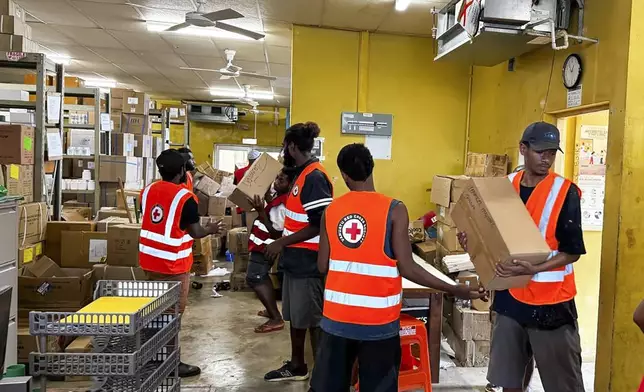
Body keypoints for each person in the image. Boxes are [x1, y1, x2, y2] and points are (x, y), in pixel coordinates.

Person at [309, 143, 486, 392]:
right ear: (372, 169)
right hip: (378, 325)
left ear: (345, 176)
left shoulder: (331, 211)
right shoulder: (394, 210)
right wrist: (454, 289)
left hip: (336, 321)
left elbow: (321, 265)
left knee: (327, 387)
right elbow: (409, 268)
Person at [459, 122, 586, 392]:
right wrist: (471, 241)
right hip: (510, 299)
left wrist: (538, 266)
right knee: (509, 380)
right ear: (523, 149)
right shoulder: (504, 187)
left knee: (563, 383)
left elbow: (572, 251)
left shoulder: (565, 192)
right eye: (540, 152)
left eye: (552, 153)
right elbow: (492, 240)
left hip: (551, 304)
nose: (546, 159)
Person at [139, 149, 224, 378]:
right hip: (173, 267)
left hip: (149, 263)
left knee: (154, 313)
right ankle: (169, 363)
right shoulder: (185, 198)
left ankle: (151, 357)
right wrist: (211, 229)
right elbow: (195, 231)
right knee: (172, 316)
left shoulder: (147, 191)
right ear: (181, 172)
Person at [263, 122, 333, 382]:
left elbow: (319, 224)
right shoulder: (300, 175)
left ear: (292, 147)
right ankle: (297, 364)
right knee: (297, 318)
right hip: (295, 261)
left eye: (284, 146)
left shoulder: (314, 177)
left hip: (308, 261)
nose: (283, 151)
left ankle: (323, 375)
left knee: (313, 320)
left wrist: (281, 243)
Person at [247, 168, 295, 333]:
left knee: (255, 277)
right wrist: (266, 196)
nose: (277, 180)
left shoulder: (284, 203)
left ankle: (276, 318)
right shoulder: (279, 197)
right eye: (277, 177)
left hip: (266, 246)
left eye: (282, 180)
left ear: (291, 185)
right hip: (261, 244)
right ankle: (271, 309)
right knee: (262, 276)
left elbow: (276, 232)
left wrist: (261, 211)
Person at [234, 149, 261, 225]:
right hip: (255, 206)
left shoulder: (238, 172)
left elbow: (236, 187)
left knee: (244, 230)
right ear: (258, 159)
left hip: (242, 205)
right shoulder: (260, 173)